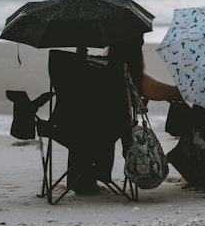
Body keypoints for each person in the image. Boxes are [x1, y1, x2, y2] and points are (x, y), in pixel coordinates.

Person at [65, 35, 179, 195]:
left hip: (69, 124)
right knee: (125, 127)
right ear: (136, 50)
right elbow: (156, 91)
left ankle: (81, 180)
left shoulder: (90, 66)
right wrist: (180, 90)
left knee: (86, 123)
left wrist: (80, 56)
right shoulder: (127, 72)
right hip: (112, 127)